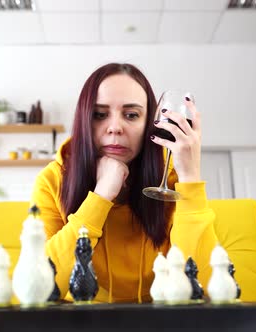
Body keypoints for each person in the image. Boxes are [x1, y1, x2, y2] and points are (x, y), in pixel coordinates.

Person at [31, 63, 218, 303]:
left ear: (150, 123)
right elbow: (40, 287)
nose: (115, 128)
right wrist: (100, 198)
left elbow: (207, 286)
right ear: (84, 120)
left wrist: (191, 179)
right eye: (99, 115)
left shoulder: (170, 181)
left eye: (131, 115)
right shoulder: (52, 180)